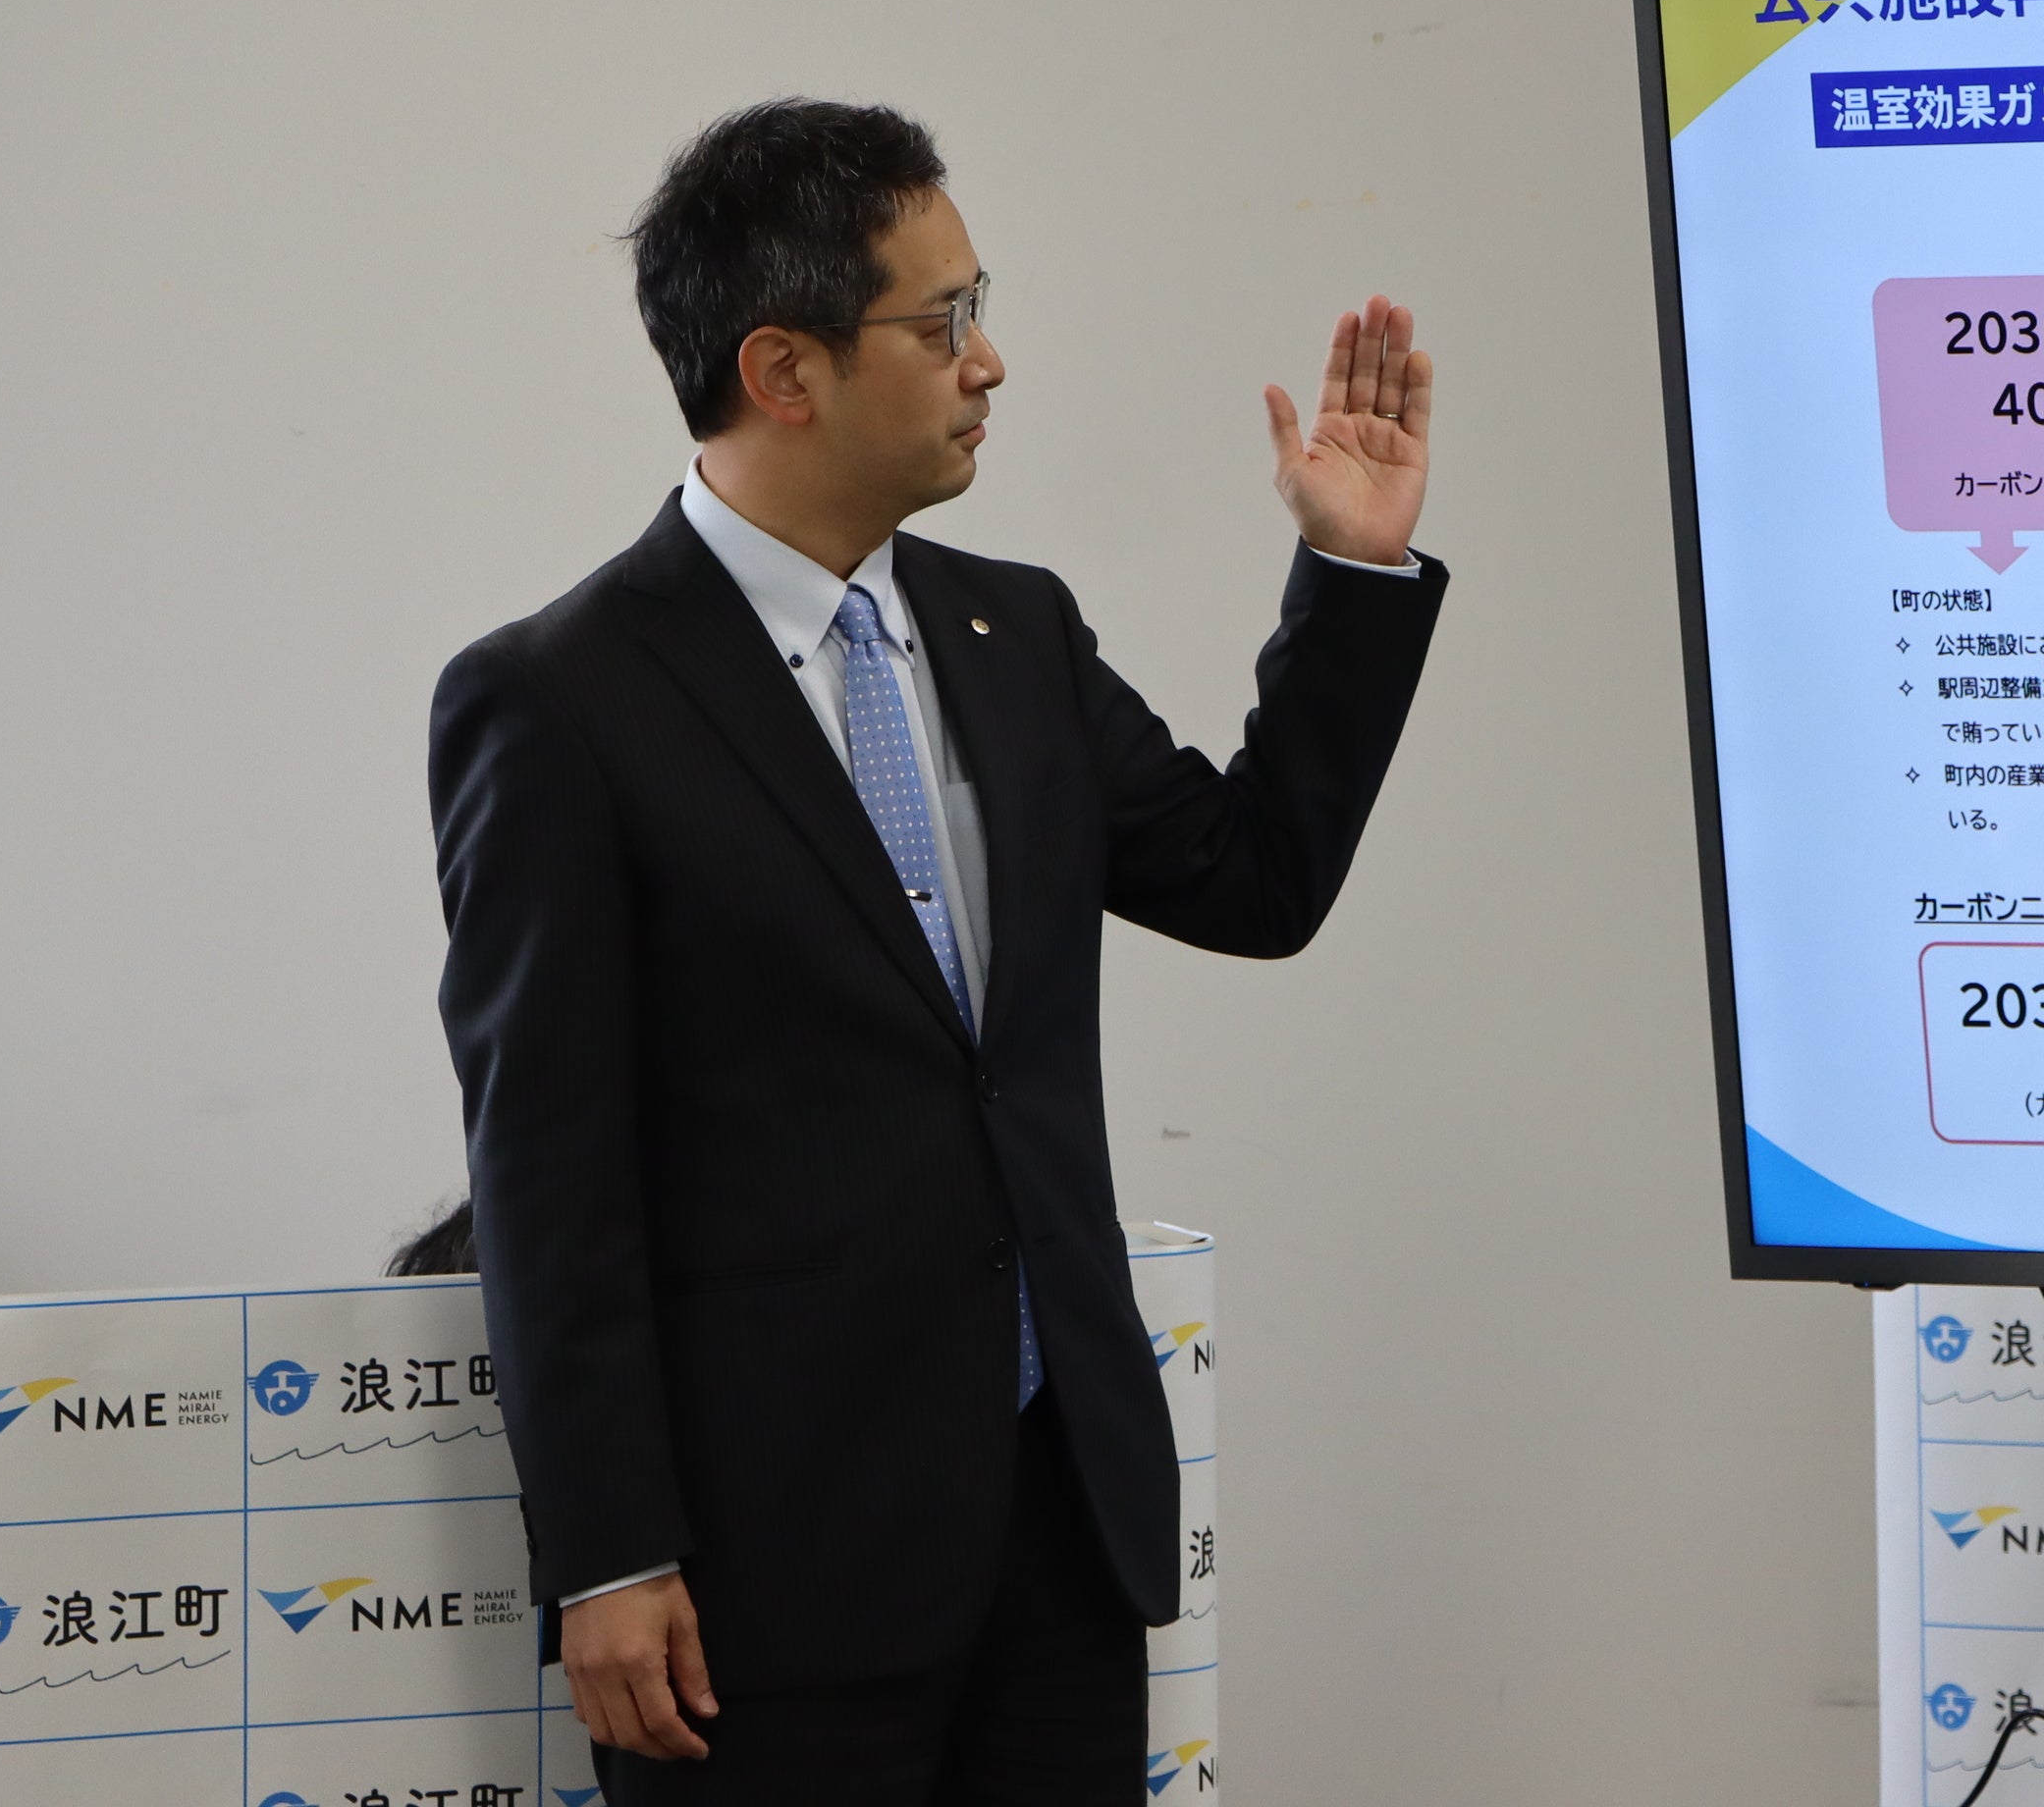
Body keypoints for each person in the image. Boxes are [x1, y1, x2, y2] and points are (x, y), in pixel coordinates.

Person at [430, 99, 1442, 1801]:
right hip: (761, 1576)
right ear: (784, 369)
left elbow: (1254, 882)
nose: (989, 362)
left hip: (1059, 1531)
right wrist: (606, 1550)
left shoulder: (1012, 631)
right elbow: (546, 1167)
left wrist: (1352, 575)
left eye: (981, 308)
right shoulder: (559, 701)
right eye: (941, 321)